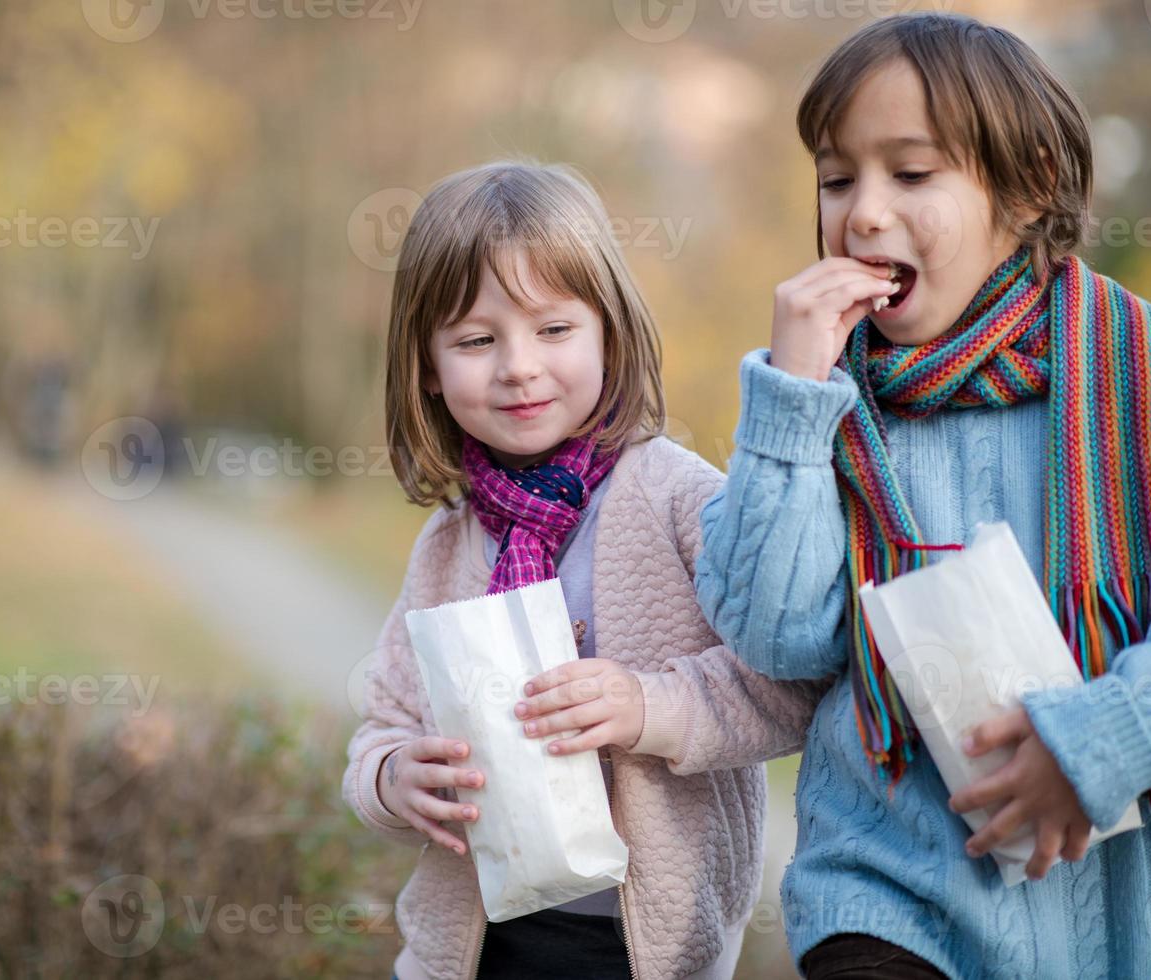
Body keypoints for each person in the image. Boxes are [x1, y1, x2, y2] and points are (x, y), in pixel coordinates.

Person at [696, 13, 1151, 979]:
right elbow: (776, 634)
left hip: (1125, 912)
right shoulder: (820, 397)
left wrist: (1094, 742)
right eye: (838, 179)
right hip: (885, 897)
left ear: (1031, 181)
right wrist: (795, 399)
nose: (864, 213)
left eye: (912, 174)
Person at [343, 159, 826, 980]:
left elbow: (788, 685)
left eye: (554, 330)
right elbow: (381, 724)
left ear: (610, 330)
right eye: (475, 340)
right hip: (474, 939)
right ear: (427, 365)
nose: (519, 366)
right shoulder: (451, 538)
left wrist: (647, 706)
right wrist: (394, 778)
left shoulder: (681, 499)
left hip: (644, 948)